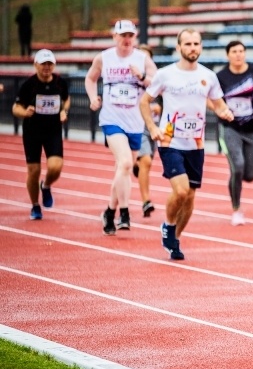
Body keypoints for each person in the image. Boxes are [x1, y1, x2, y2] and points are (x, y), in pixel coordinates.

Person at [140, 28, 234, 260]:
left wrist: (225, 112)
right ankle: (169, 225)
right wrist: (152, 128)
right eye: (188, 44)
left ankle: (175, 239)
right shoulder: (165, 74)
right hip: (170, 140)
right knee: (180, 190)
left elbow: (218, 104)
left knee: (190, 197)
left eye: (196, 44)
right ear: (178, 47)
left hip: (196, 143)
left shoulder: (208, 76)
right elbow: (144, 101)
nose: (193, 48)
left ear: (201, 47)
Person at [84, 20, 157, 235]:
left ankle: (109, 211)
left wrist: (142, 77)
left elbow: (158, 83)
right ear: (114, 36)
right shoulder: (104, 58)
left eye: (130, 36)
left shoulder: (143, 59)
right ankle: (124, 213)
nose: (126, 39)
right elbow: (90, 78)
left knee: (122, 169)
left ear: (134, 38)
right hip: (111, 119)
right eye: (122, 35)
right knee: (125, 163)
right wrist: (92, 98)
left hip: (135, 121)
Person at [216, 41, 253, 226]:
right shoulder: (221, 76)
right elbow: (211, 99)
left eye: (241, 51)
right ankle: (236, 209)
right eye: (234, 51)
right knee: (238, 166)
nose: (238, 55)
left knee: (249, 175)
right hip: (230, 127)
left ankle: (238, 183)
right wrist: (220, 110)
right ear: (228, 55)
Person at [12, 49, 70, 220]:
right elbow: (15, 108)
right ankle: (35, 205)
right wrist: (25, 112)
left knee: (56, 167)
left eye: (49, 64)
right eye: (43, 64)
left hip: (52, 130)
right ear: (35, 65)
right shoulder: (29, 85)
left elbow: (66, 99)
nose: (47, 67)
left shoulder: (60, 83)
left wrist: (63, 111)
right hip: (32, 131)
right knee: (33, 170)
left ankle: (46, 185)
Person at [132, 44, 160, 218]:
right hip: (136, 125)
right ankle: (146, 201)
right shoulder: (129, 78)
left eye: (147, 58)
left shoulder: (158, 78)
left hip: (154, 126)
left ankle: (137, 163)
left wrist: (160, 109)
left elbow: (168, 98)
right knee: (147, 162)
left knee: (146, 162)